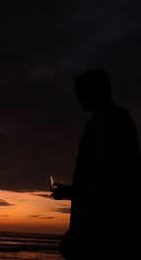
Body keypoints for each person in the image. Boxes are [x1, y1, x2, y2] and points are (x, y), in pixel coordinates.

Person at [51, 69, 141, 259]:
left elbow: (113, 177)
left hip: (104, 228)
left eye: (80, 90)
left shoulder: (110, 120)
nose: (78, 96)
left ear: (93, 91)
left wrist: (74, 194)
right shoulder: (105, 120)